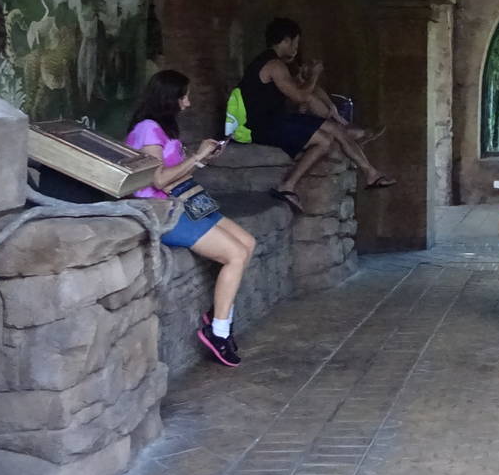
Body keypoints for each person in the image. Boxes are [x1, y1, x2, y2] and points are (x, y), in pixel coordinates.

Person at [126, 70, 256, 368]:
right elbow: (159, 180)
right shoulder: (148, 129)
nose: (187, 103)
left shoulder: (163, 127)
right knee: (235, 255)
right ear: (168, 98)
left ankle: (218, 314)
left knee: (248, 243)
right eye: (183, 96)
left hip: (183, 201)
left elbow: (175, 172)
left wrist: (202, 158)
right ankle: (219, 332)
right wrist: (196, 158)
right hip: (162, 211)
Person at [239, 18, 395, 211]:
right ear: (286, 41)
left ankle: (369, 172)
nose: (296, 49)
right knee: (327, 139)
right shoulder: (274, 65)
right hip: (261, 126)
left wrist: (328, 104)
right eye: (296, 43)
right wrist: (314, 75)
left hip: (274, 120)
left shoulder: (277, 64)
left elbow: (308, 90)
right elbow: (300, 96)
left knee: (331, 134)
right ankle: (288, 186)